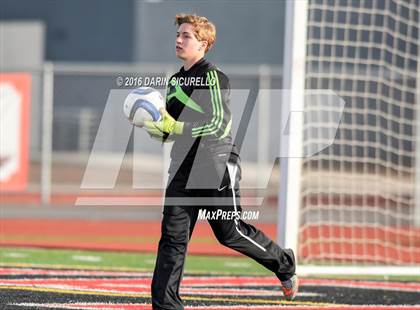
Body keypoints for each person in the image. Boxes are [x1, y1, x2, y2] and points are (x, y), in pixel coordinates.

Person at [144, 13, 298, 310]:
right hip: (182, 169)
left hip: (215, 165)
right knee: (172, 239)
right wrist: (156, 128)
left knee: (231, 233)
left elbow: (217, 125)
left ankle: (285, 264)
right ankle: (165, 306)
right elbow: (171, 128)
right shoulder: (175, 81)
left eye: (186, 35)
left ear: (203, 44)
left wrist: (174, 128)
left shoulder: (213, 77)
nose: (178, 40)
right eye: (178, 34)